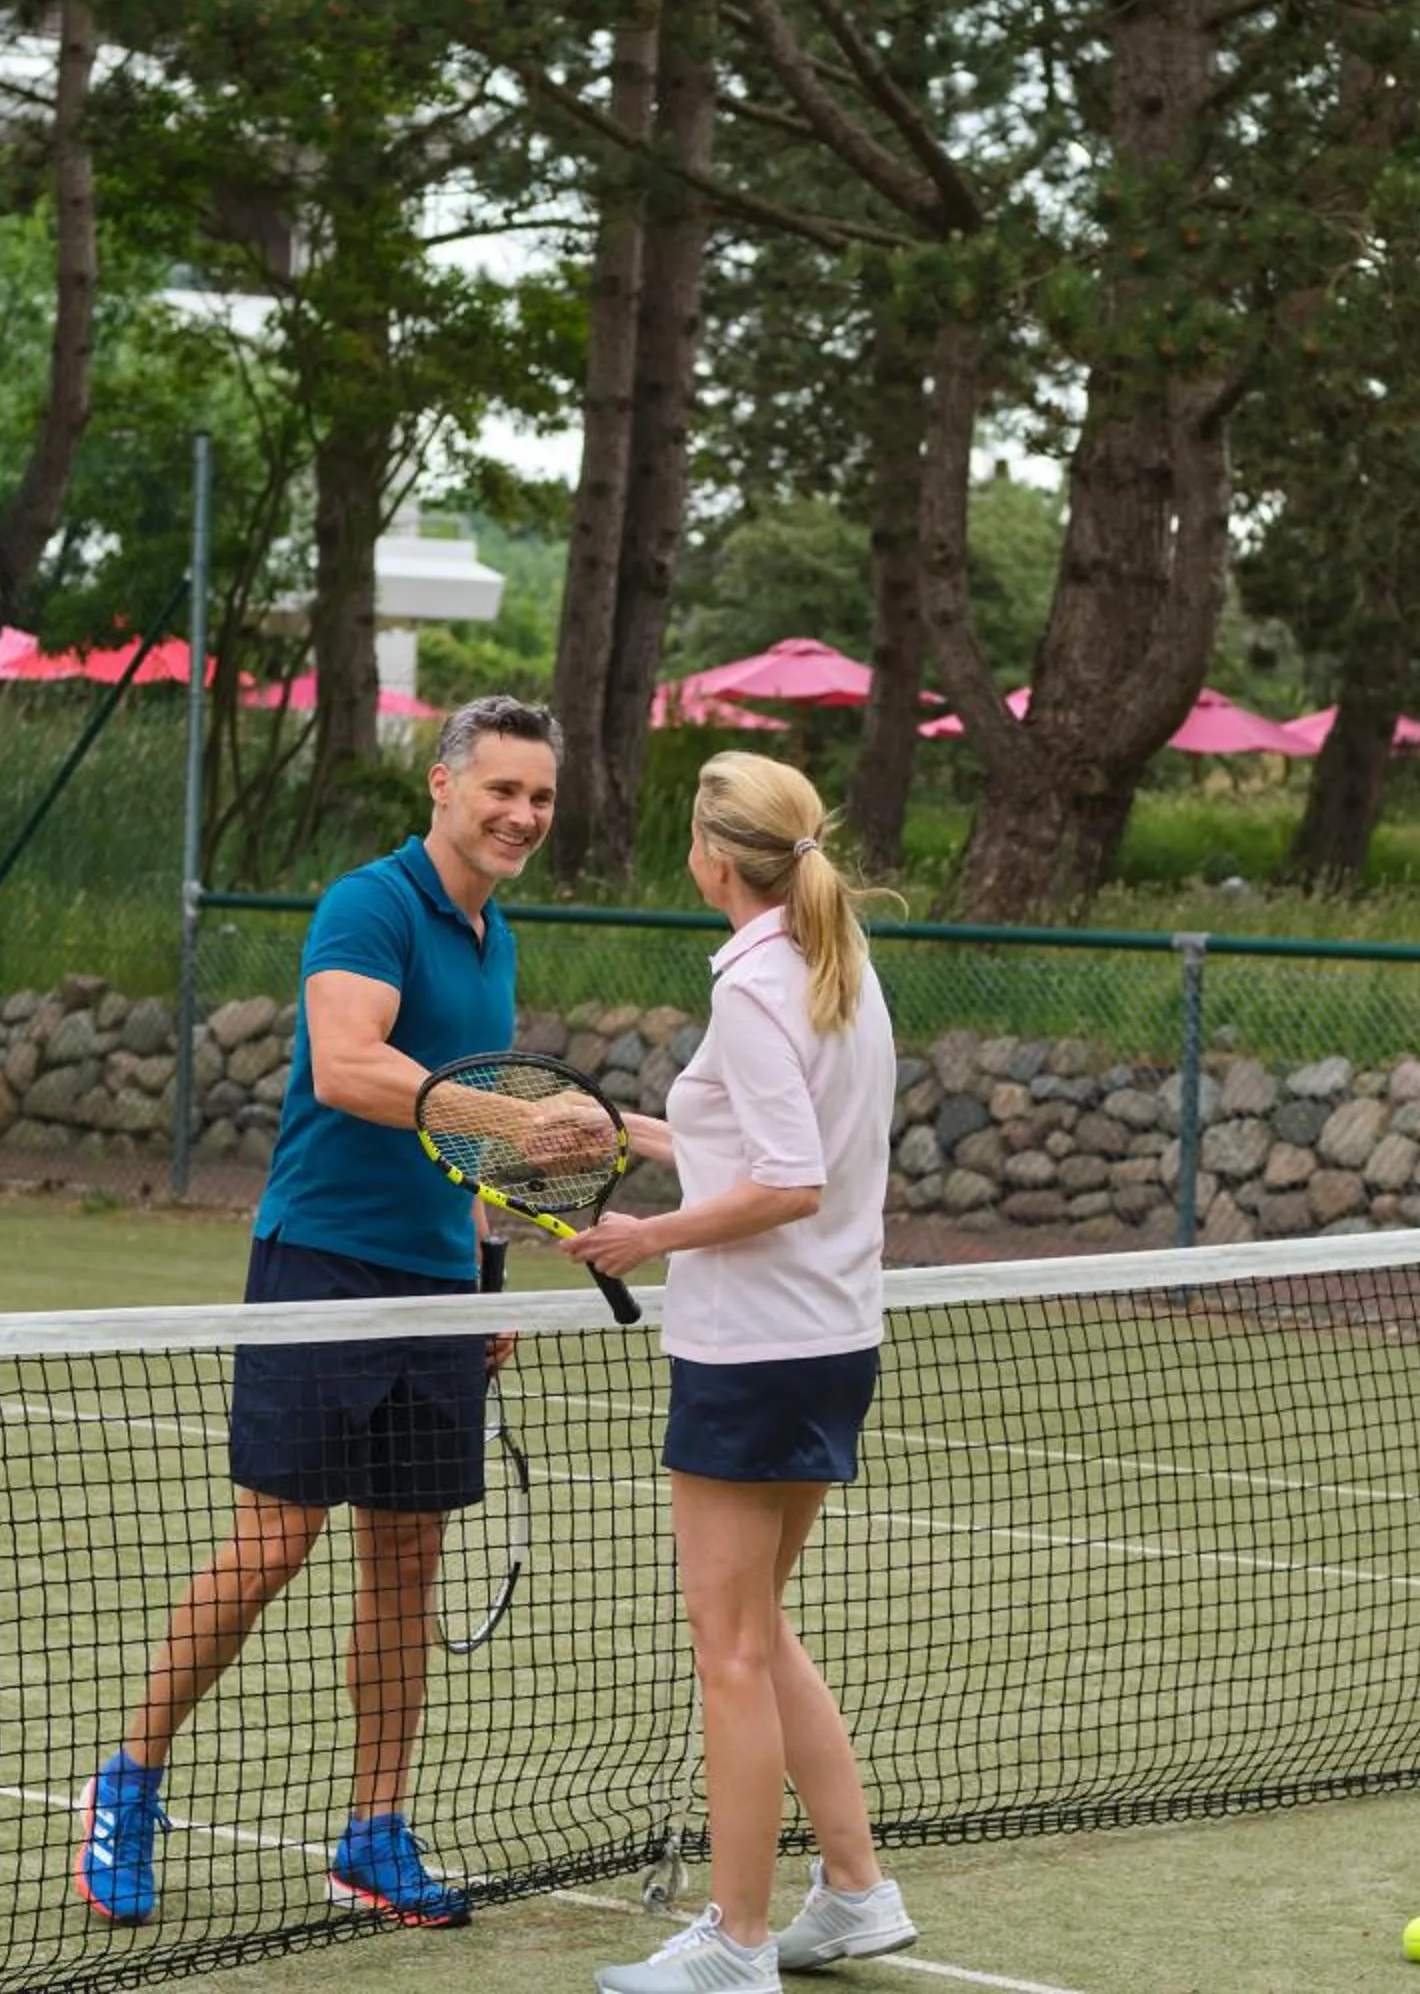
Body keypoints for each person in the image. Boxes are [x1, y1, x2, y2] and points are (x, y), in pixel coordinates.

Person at [75, 695, 563, 1929]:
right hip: (323, 1267)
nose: (521, 813)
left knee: (405, 1561)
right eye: (501, 788)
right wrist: (519, 1124)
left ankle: (373, 1832)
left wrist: (480, 1274)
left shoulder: (492, 934)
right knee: (270, 1544)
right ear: (442, 787)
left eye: (541, 797)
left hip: (431, 1284)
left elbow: (455, 1144)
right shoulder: (370, 904)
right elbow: (349, 1067)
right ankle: (127, 1780)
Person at [561, 752, 920, 1994]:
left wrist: (641, 1234)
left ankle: (738, 1938)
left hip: (756, 1350)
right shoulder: (839, 965)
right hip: (828, 1342)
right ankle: (859, 1893)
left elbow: (789, 1180)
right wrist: (631, 1134)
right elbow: (766, 1141)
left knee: (727, 1645)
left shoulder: (758, 986)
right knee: (760, 1626)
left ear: (711, 857)